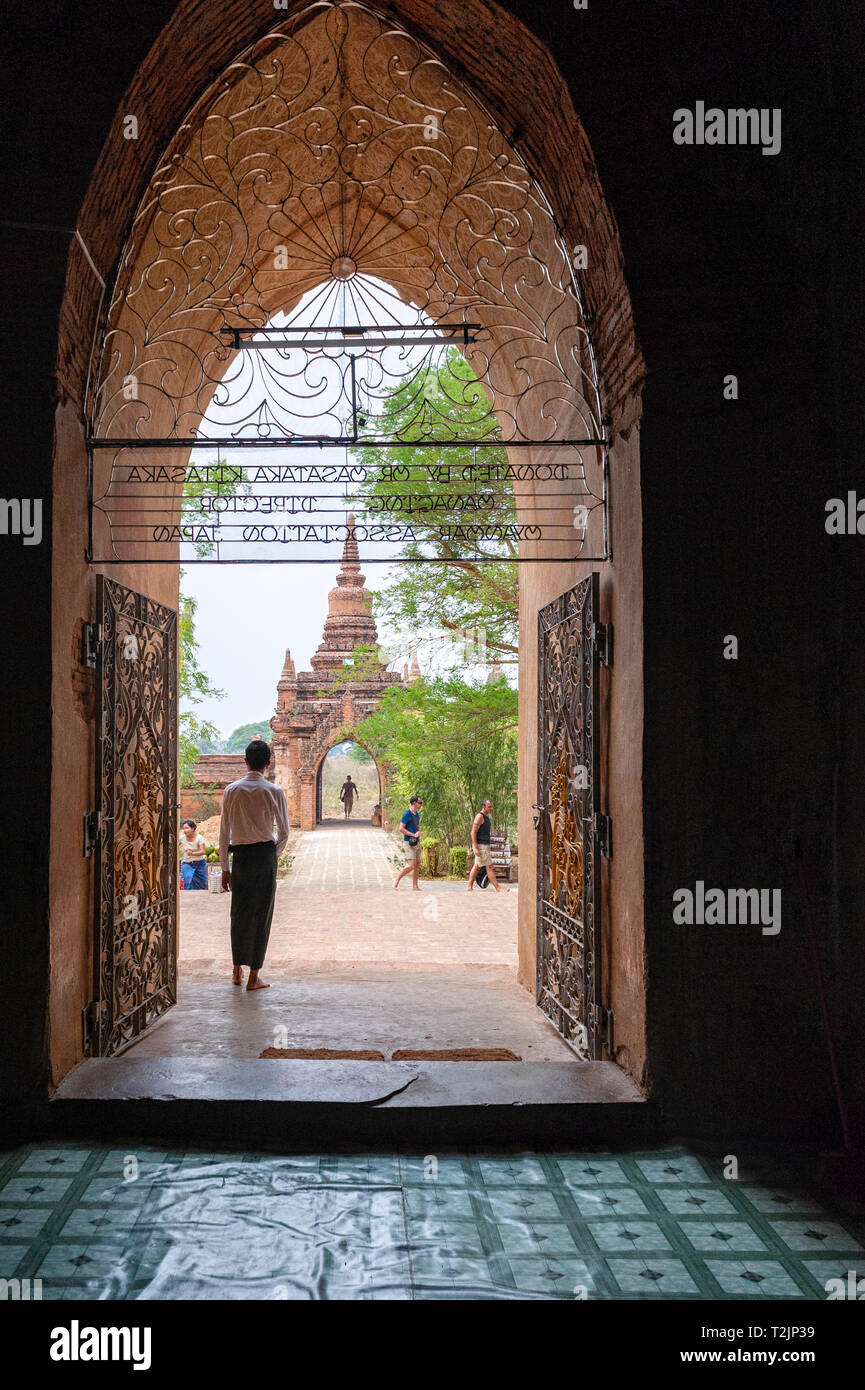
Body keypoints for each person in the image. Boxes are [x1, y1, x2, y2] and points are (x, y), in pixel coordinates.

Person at [219, 739, 290, 990]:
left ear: (245, 761)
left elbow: (224, 832)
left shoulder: (231, 790)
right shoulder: (274, 791)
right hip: (264, 856)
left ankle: (236, 970)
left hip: (240, 857)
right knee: (262, 915)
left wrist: (225, 867)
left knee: (239, 913)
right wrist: (273, 855)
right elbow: (284, 832)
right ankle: (253, 976)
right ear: (268, 763)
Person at [467, 798, 508, 893]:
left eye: (492, 806)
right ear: (483, 806)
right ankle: (498, 888)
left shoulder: (486, 817)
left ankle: (469, 887)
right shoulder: (479, 817)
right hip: (481, 846)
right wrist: (476, 848)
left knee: (477, 866)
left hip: (484, 845)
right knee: (489, 867)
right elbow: (473, 832)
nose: (491, 808)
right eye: (489, 806)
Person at [394, 794, 423, 891]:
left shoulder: (417, 814)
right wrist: (413, 835)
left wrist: (418, 834)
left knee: (417, 865)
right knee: (411, 866)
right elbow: (401, 828)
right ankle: (397, 879)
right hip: (408, 842)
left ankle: (415, 886)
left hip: (416, 842)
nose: (421, 805)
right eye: (420, 803)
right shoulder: (407, 814)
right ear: (414, 803)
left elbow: (415, 828)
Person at [180, 819, 208, 890]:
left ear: (193, 828)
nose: (185, 830)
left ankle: (200, 898)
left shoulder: (199, 838)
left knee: (201, 883)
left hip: (200, 863)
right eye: (183, 828)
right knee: (188, 881)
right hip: (187, 863)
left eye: (187, 828)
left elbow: (203, 851)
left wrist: (192, 853)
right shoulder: (181, 838)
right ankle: (188, 898)